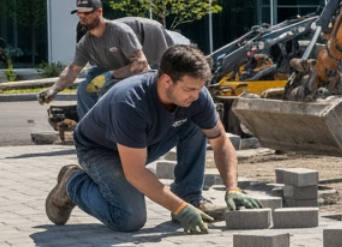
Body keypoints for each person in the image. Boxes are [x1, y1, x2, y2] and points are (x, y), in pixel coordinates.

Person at [44, 43, 264, 233]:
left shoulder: (196, 96)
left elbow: (220, 141)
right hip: (101, 149)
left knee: (198, 122)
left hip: (143, 142)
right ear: (166, 80)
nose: (196, 95)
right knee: (129, 219)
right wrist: (179, 208)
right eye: (189, 89)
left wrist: (232, 188)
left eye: (199, 89)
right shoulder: (130, 102)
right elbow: (135, 172)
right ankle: (73, 183)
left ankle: (189, 196)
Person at [36, 0, 148, 116]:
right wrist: (54, 89)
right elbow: (73, 69)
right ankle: (89, 125)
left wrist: (111, 75)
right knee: (84, 88)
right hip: (112, 77)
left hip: (134, 79)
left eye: (86, 13)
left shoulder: (119, 31)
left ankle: (112, 124)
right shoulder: (85, 43)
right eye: (79, 13)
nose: (82, 16)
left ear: (99, 12)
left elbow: (141, 64)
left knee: (106, 87)